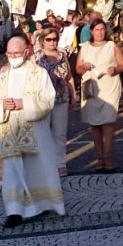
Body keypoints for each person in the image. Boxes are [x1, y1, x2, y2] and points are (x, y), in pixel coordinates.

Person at [0, 35, 65, 228]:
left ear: (26, 52)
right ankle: (14, 211)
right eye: (10, 53)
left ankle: (44, 203)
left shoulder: (39, 73)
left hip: (35, 131)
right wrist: (2, 105)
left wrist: (24, 104)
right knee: (12, 172)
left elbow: (48, 100)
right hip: (11, 132)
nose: (13, 56)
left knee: (39, 167)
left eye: (17, 53)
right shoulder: (4, 76)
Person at [76, 18, 123, 172]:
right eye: (96, 29)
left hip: (109, 86)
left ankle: (108, 156)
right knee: (95, 125)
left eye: (102, 29)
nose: (100, 32)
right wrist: (83, 67)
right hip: (92, 88)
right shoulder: (84, 47)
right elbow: (77, 68)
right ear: (91, 31)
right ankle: (100, 157)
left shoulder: (112, 46)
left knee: (109, 122)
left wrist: (116, 69)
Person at [35, 28, 77, 177]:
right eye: (49, 39)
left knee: (59, 133)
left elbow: (69, 76)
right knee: (43, 133)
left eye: (55, 39)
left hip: (61, 97)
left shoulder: (62, 55)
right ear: (42, 41)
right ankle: (45, 164)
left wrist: (73, 94)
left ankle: (60, 164)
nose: (52, 42)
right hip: (43, 100)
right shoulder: (36, 57)